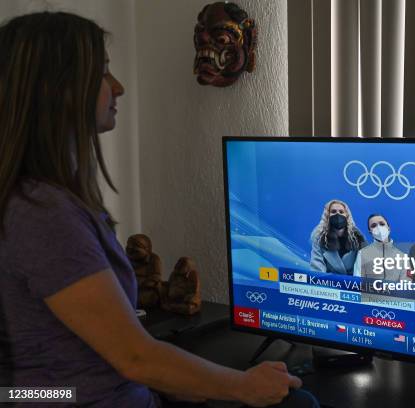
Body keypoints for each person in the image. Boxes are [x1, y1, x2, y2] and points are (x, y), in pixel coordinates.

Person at [0, 12, 318, 408]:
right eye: (102, 74)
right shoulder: (42, 213)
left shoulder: (49, 197)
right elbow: (134, 357)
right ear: (57, 89)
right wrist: (243, 386)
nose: (118, 87)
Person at [310, 199, 366, 275]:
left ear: (347, 215)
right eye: (333, 212)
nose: (338, 214)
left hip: (353, 284)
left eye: (341, 212)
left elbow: (365, 266)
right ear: (327, 215)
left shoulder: (358, 237)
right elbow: (317, 269)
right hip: (329, 283)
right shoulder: (319, 238)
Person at [354, 214, 410, 282]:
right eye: (373, 226)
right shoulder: (362, 254)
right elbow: (357, 282)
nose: (379, 228)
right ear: (370, 232)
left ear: (389, 228)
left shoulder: (403, 257)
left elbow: (406, 285)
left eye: (382, 224)